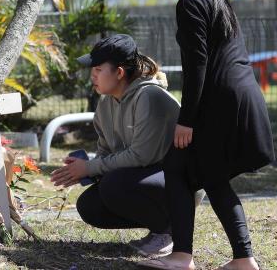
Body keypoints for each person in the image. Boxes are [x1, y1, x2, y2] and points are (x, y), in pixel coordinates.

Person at [133, 0, 276, 270]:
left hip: (222, 102)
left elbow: (197, 66)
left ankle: (197, 257)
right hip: (233, 97)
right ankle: (233, 259)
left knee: (191, 170)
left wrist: (186, 120)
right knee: (190, 170)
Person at [50, 34, 180, 257]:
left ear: (119, 73)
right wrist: (84, 171)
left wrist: (90, 168)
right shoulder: (105, 104)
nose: (93, 74)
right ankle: (160, 225)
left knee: (113, 184)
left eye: (99, 69)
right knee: (90, 205)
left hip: (176, 182)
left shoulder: (149, 96)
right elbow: (106, 151)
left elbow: (142, 156)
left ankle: (169, 230)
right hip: (142, 180)